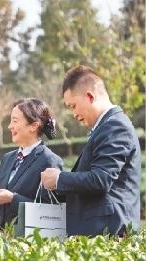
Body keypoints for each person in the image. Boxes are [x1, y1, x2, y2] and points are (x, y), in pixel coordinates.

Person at [41, 65, 141, 236]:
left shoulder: (115, 126)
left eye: (73, 106)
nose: (73, 113)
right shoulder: (104, 126)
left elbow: (101, 179)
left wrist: (59, 179)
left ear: (89, 96)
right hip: (99, 232)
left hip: (108, 233)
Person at [0, 98, 63, 231]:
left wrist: (13, 199)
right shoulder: (8, 158)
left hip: (27, 245)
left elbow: (51, 213)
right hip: (0, 243)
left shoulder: (49, 160)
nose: (9, 126)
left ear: (34, 126)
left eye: (15, 121)